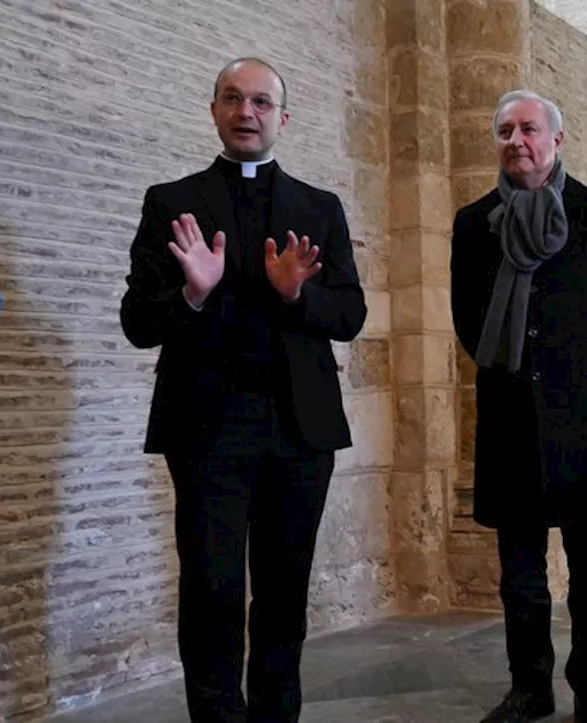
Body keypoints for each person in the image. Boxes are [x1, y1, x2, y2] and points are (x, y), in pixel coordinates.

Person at [119, 57, 366, 723]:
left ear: (282, 118)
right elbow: (138, 322)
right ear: (214, 111)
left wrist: (298, 293)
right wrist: (193, 293)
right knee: (211, 592)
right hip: (206, 432)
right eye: (233, 98)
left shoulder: (320, 208)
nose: (246, 112)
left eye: (261, 102)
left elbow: (350, 314)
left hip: (299, 431)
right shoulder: (171, 203)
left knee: (284, 595)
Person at [450, 89, 587, 723]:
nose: (517, 141)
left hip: (583, 422)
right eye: (505, 130)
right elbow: (467, 321)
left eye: (529, 129)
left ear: (556, 140)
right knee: (521, 577)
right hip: (510, 420)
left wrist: (585, 380)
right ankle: (530, 688)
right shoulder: (473, 224)